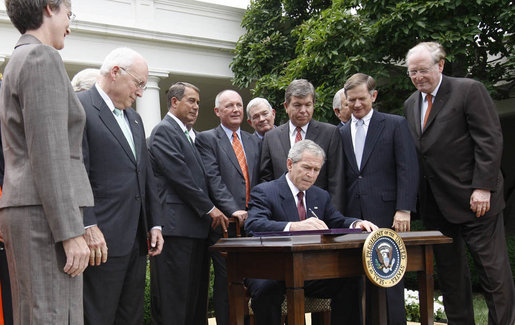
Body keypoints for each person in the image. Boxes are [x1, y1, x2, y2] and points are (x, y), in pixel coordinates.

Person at [404, 41, 515, 324]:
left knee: (492, 273)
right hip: (436, 205)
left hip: (476, 201)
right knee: (451, 276)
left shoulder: (469, 90)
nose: (418, 77)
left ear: (440, 65)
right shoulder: (410, 103)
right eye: (412, 72)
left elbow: (489, 140)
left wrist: (483, 187)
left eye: (423, 70)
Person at [0, 1, 94, 323]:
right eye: (70, 14)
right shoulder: (41, 57)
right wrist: (70, 232)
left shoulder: (19, 59)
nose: (70, 23)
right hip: (44, 216)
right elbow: (49, 152)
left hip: (33, 210)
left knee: (38, 314)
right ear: (50, 7)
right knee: (53, 316)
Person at [245, 140, 377, 325]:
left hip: (309, 269)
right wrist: (293, 226)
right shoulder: (265, 192)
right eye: (307, 167)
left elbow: (337, 221)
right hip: (271, 268)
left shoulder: (320, 195)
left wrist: (357, 223)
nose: (311, 175)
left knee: (351, 280)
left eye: (316, 170)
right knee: (266, 289)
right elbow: (254, 225)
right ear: (290, 164)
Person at [78, 47, 163, 324]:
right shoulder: (80, 107)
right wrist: (87, 225)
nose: (140, 93)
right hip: (100, 240)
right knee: (99, 317)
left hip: (136, 240)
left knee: (131, 316)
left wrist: (154, 224)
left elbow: (145, 174)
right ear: (115, 72)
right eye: (138, 84)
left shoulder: (135, 119)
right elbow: (76, 171)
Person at [340, 73, 419, 324]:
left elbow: (408, 168)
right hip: (352, 217)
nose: (356, 105)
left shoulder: (395, 124)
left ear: (373, 96)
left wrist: (404, 208)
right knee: (353, 281)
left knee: (389, 280)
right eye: (351, 100)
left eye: (362, 98)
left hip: (388, 215)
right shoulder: (340, 133)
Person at [148, 82, 229, 325]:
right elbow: (181, 176)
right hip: (176, 231)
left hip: (195, 230)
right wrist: (210, 208)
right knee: (175, 300)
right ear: (174, 102)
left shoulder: (188, 134)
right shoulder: (164, 131)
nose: (196, 106)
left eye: (197, 101)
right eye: (191, 101)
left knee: (195, 300)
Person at [195, 90, 261, 325]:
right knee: (227, 284)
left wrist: (257, 211)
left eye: (239, 105)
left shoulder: (253, 140)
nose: (235, 109)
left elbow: (261, 179)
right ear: (217, 112)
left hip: (254, 223)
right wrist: (233, 209)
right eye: (229, 106)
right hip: (225, 224)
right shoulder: (206, 139)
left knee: (257, 281)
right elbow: (212, 178)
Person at [260, 79, 345, 212]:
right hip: (281, 214)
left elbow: (336, 180)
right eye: (297, 105)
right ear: (286, 106)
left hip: (320, 213)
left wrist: (332, 216)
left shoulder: (330, 133)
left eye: (308, 105)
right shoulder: (271, 137)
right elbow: (266, 178)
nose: (303, 110)